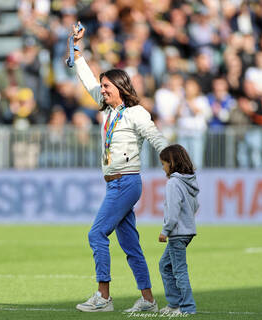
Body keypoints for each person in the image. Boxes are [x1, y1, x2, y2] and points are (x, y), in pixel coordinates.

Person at [70, 22, 168, 312]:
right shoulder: (108, 110)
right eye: (102, 87)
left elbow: (156, 137)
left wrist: (173, 162)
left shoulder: (136, 112)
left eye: (107, 86)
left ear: (121, 88)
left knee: (96, 234)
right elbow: (86, 78)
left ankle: (104, 297)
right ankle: (148, 300)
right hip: (116, 182)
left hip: (126, 182)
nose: (101, 91)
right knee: (130, 244)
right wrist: (76, 49)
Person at [158, 144, 199, 315]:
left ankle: (186, 307)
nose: (163, 167)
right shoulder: (189, 180)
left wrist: (165, 230)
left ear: (172, 163)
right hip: (188, 230)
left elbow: (173, 212)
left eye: (164, 163)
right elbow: (196, 206)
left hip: (177, 232)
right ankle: (174, 304)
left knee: (178, 269)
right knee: (165, 265)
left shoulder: (173, 183)